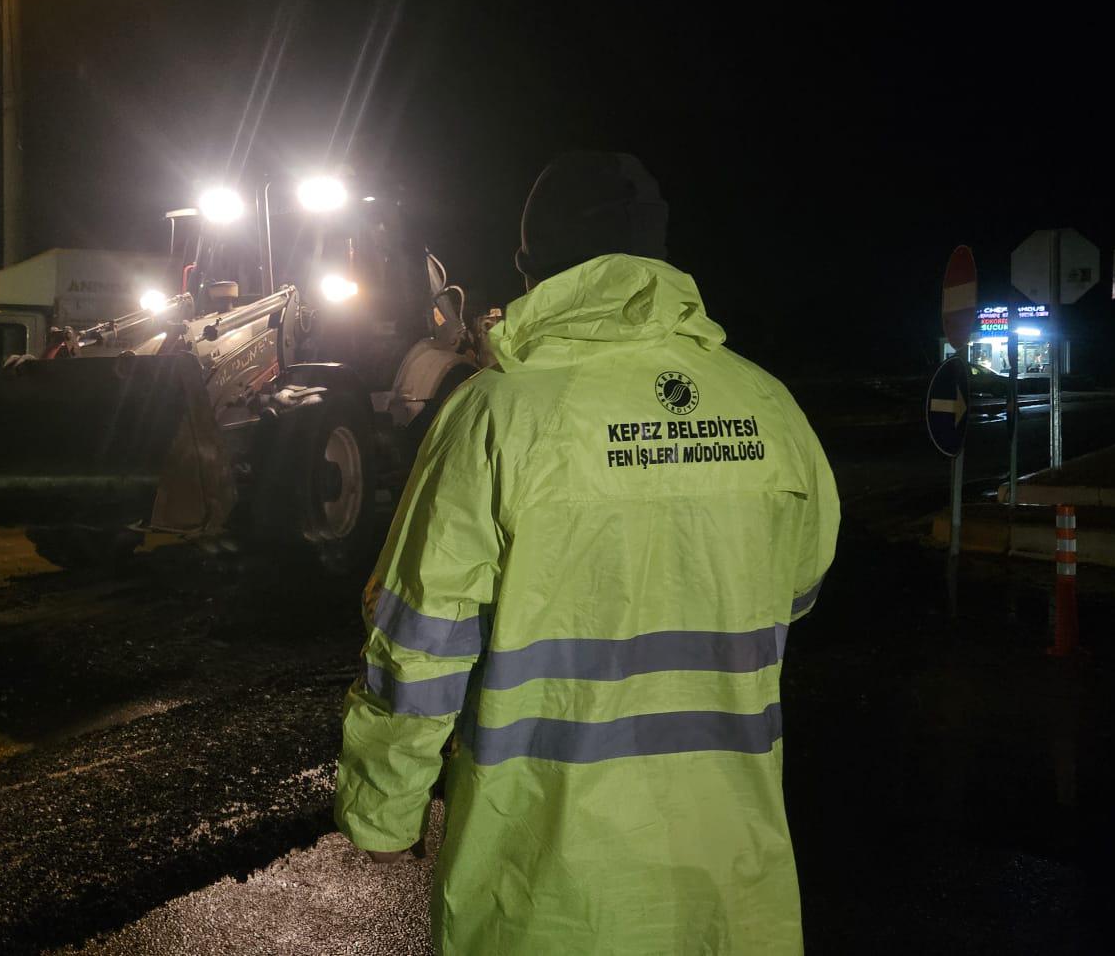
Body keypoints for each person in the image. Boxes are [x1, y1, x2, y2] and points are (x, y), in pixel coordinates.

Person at [336, 151, 839, 954]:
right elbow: (796, 588)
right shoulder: (767, 405)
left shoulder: (497, 416)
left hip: (542, 887)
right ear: (658, 259)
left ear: (533, 266)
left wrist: (381, 809)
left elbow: (423, 636)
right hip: (730, 884)